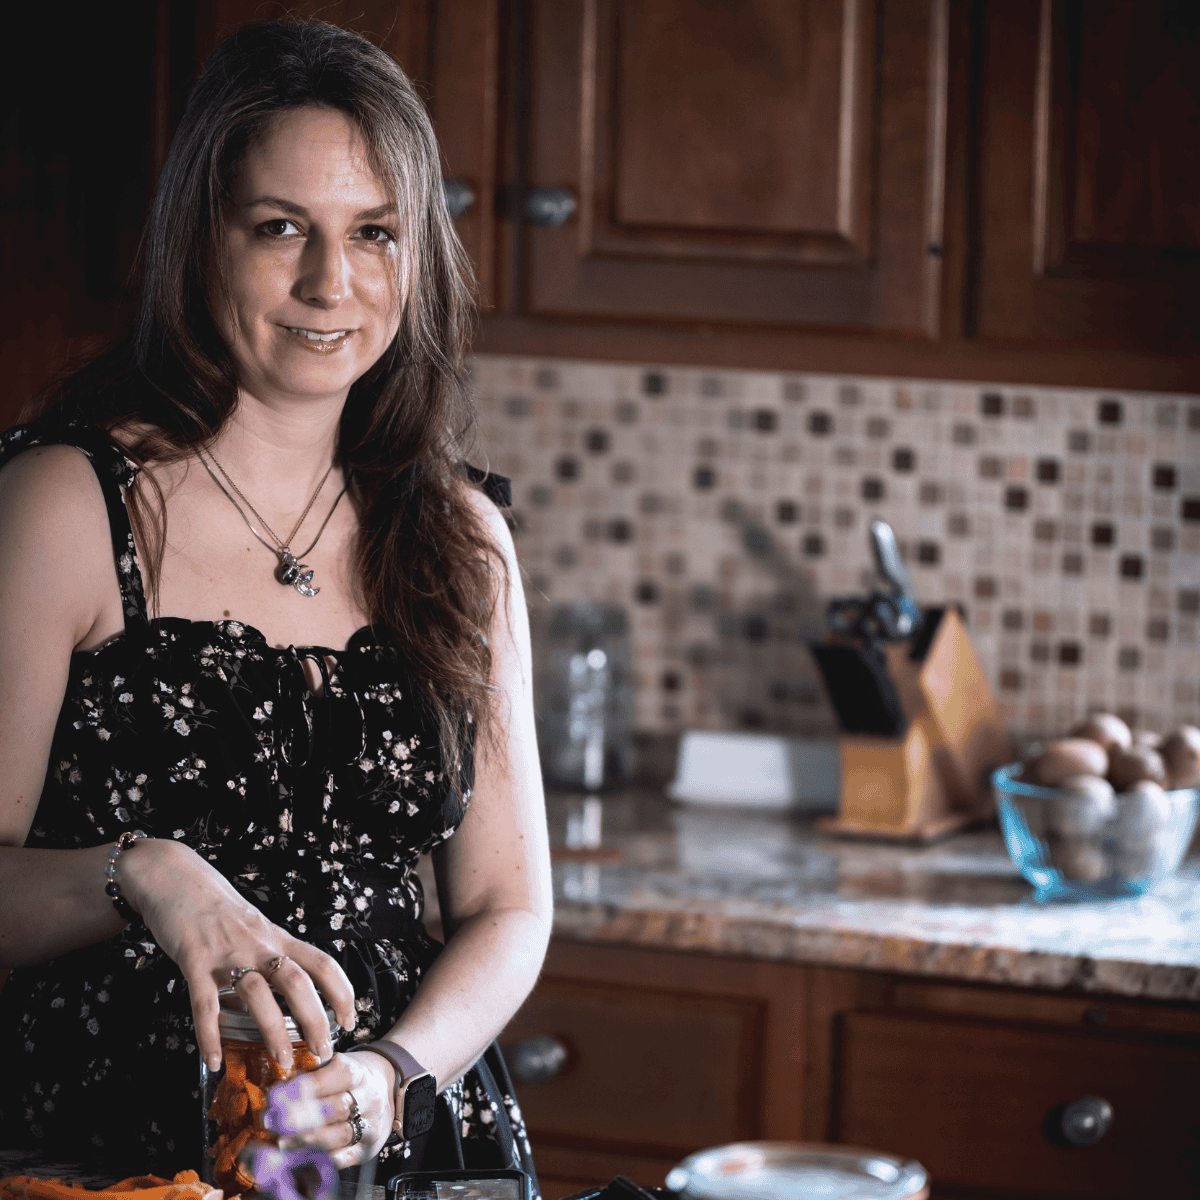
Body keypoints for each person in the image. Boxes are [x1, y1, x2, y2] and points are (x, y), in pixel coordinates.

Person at [0, 17, 551, 1190]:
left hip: (404, 1152)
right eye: (281, 228)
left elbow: (509, 908)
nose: (328, 284)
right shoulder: (67, 507)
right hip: (117, 1162)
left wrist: (398, 1071)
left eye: (374, 234)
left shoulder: (460, 539)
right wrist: (145, 874)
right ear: (201, 238)